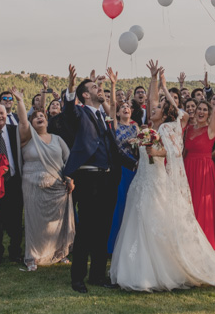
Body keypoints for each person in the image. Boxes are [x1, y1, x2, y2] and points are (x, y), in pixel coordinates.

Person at [110, 60, 215, 291]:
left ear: (163, 114)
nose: (153, 109)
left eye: (157, 109)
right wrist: (153, 78)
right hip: (142, 181)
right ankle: (137, 270)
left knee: (156, 222)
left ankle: (164, 269)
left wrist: (154, 151)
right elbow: (152, 99)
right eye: (153, 108)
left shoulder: (168, 128)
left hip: (157, 181)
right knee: (138, 223)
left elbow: (171, 152)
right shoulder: (149, 129)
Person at [62, 65, 134, 294]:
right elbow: (68, 111)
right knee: (87, 229)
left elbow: (113, 147)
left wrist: (136, 163)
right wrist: (71, 87)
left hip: (108, 178)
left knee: (103, 228)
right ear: (85, 94)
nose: (99, 89)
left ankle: (97, 275)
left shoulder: (104, 116)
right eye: (95, 87)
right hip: (88, 177)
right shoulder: (79, 113)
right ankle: (78, 278)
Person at [16, 88, 75, 269]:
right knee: (34, 222)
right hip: (33, 185)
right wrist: (20, 101)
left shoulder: (57, 139)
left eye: (42, 116)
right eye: (36, 117)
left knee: (58, 222)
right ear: (32, 123)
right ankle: (32, 256)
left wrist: (69, 178)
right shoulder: (27, 138)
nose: (39, 118)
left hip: (57, 187)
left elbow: (69, 161)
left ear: (47, 121)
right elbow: (23, 121)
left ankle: (59, 253)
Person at [183, 74, 215, 251]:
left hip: (204, 172)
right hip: (187, 169)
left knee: (203, 207)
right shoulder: (187, 129)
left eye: (204, 110)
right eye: (198, 109)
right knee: (188, 208)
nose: (201, 112)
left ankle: (204, 247)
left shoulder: (211, 130)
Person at [0, 102, 23, 265]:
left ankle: (15, 252)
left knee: (15, 221)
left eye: (2, 113)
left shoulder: (15, 131)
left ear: (6, 115)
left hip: (14, 181)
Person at [107, 70, 138, 254]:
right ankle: (114, 245)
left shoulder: (135, 127)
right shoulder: (115, 125)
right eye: (122, 107)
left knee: (132, 205)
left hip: (134, 168)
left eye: (128, 106)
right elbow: (111, 104)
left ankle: (130, 246)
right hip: (119, 169)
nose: (126, 108)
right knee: (119, 205)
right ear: (118, 113)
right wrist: (113, 85)